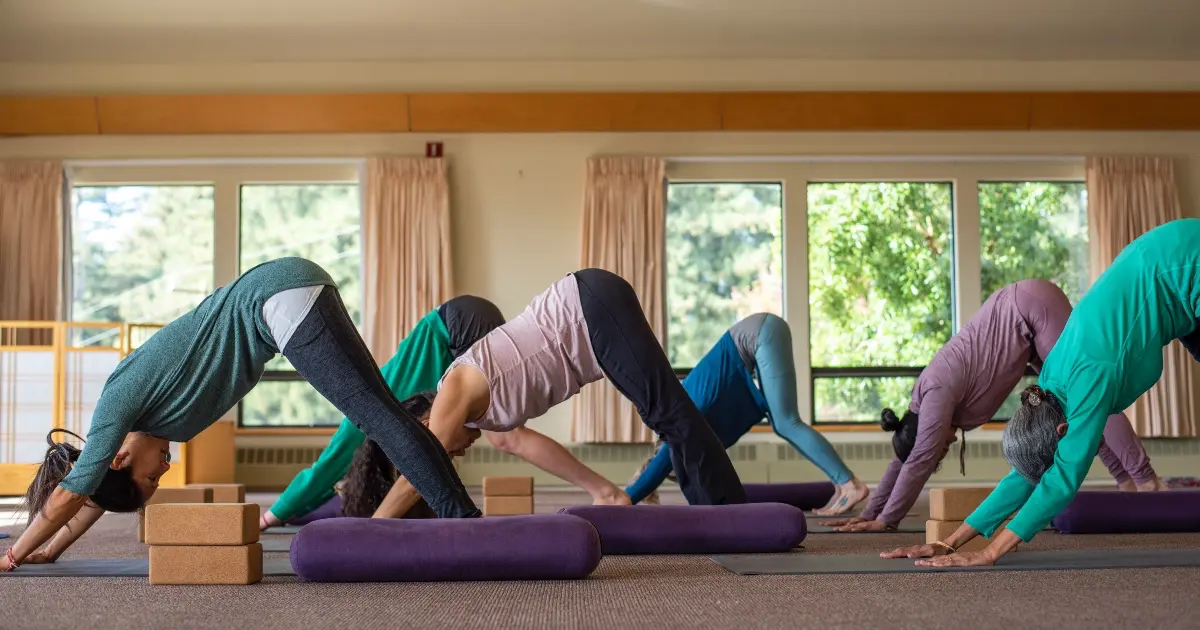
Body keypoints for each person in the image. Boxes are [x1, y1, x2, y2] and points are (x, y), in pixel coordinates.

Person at [2, 257, 478, 572]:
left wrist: (13, 555)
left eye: (151, 479)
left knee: (380, 418)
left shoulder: (114, 409)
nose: (162, 473)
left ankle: (465, 523)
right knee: (383, 415)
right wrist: (53, 550)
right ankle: (467, 519)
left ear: (120, 460)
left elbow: (71, 494)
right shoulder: (140, 430)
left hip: (277, 302)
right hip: (287, 292)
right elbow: (95, 499)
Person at [882, 218, 1199, 567]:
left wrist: (990, 552)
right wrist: (950, 542)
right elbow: (1025, 475)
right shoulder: (1046, 390)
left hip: (1185, 262)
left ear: (1063, 431)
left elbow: (1063, 478)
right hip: (1165, 268)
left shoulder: (1088, 379)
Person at [369, 268, 747, 518]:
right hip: (591, 320)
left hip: (587, 308)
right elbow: (517, 444)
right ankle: (716, 515)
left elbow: (420, 474)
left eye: (442, 449)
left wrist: (373, 528)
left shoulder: (454, 390)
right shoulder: (478, 413)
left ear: (424, 422)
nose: (459, 453)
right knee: (669, 415)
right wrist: (602, 490)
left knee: (669, 414)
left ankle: (729, 518)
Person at [827, 278, 1166, 533]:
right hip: (1028, 327)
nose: (943, 449)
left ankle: (1144, 481)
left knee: (1089, 395)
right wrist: (868, 513)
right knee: (1077, 408)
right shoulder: (920, 412)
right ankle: (1128, 481)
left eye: (942, 446)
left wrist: (886, 521)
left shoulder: (934, 392)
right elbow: (904, 458)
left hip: (1030, 309)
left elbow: (919, 457)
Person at [259, 295, 505, 529]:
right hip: (461, 323)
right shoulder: (405, 397)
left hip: (459, 326)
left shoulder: (366, 411)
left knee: (503, 437)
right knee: (483, 432)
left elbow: (329, 465)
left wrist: (272, 515)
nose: (465, 448)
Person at [623, 313, 869, 514]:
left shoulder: (675, 429)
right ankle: (841, 485)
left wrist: (624, 500)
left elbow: (662, 462)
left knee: (786, 422)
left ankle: (849, 483)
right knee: (782, 422)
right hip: (760, 333)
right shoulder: (698, 431)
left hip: (757, 334)